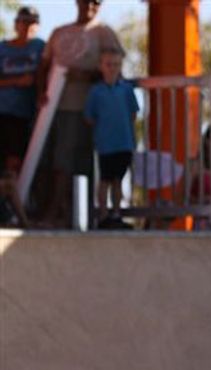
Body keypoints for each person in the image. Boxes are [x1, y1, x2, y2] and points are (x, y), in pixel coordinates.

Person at [36, 0, 124, 227]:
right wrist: (40, 93)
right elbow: (43, 65)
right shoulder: (59, 32)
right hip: (51, 110)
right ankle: (54, 212)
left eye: (96, 2)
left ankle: (70, 215)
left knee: (74, 163)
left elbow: (115, 69)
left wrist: (86, 75)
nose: (90, 5)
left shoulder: (104, 34)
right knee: (50, 162)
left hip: (83, 109)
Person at [83, 48, 138, 229]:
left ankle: (116, 213)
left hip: (124, 142)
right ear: (101, 66)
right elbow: (89, 117)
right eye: (108, 64)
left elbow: (132, 114)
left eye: (116, 64)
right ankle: (103, 215)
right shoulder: (96, 92)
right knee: (105, 179)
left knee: (118, 180)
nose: (112, 68)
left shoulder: (127, 90)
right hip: (105, 143)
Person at [0, 7, 44, 173]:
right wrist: (17, 81)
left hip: (23, 115)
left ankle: (12, 197)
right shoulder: (2, 49)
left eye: (32, 22)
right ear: (16, 24)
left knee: (15, 162)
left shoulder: (40, 47)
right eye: (23, 21)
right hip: (2, 110)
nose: (27, 26)